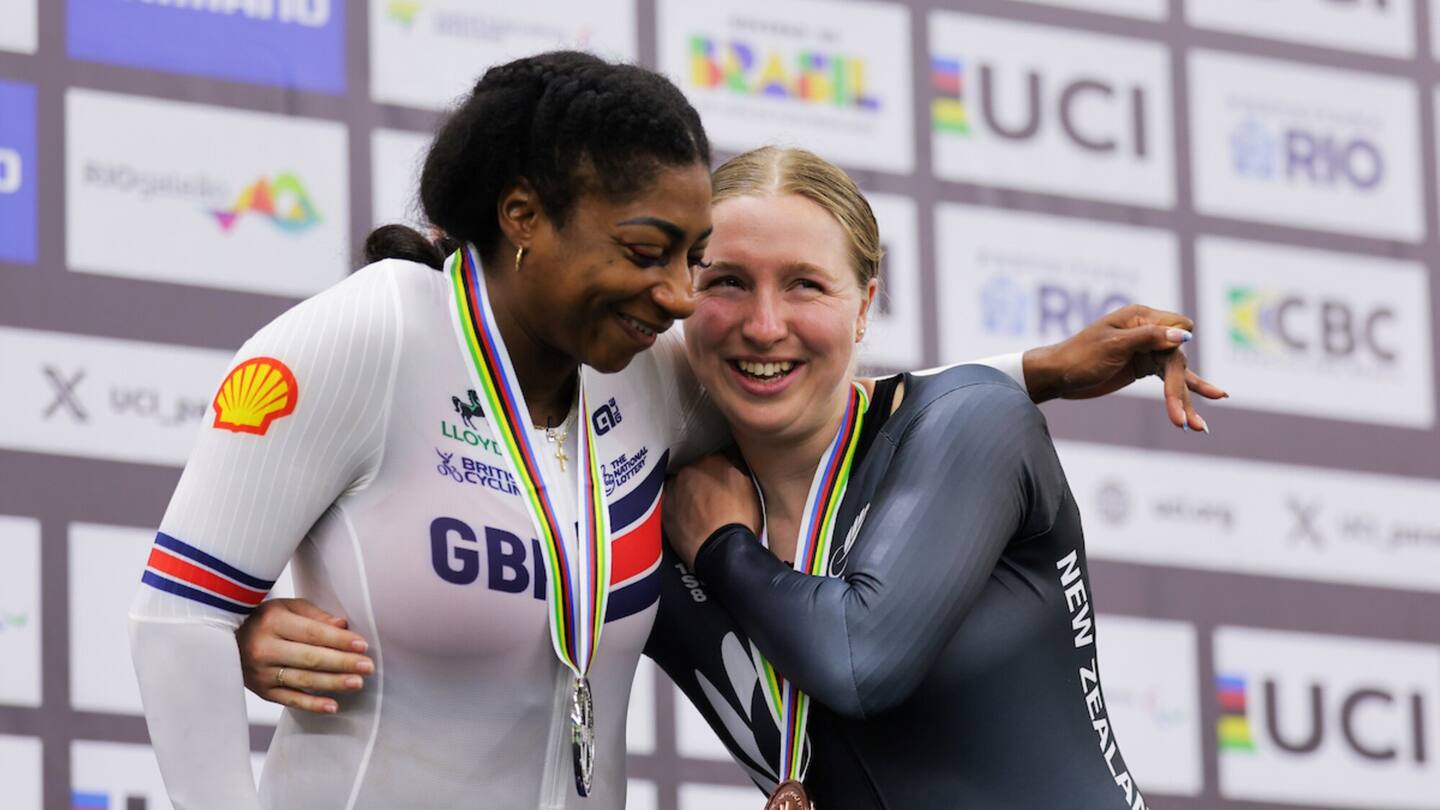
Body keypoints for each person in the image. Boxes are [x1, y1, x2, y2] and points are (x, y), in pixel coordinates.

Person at [132, 52, 1214, 810]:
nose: (713, 309)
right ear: (523, 219)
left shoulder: (689, 401)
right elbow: (189, 613)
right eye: (693, 268)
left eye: (692, 261)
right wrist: (233, 634)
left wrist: (1034, 373)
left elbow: (830, 481)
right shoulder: (411, 348)